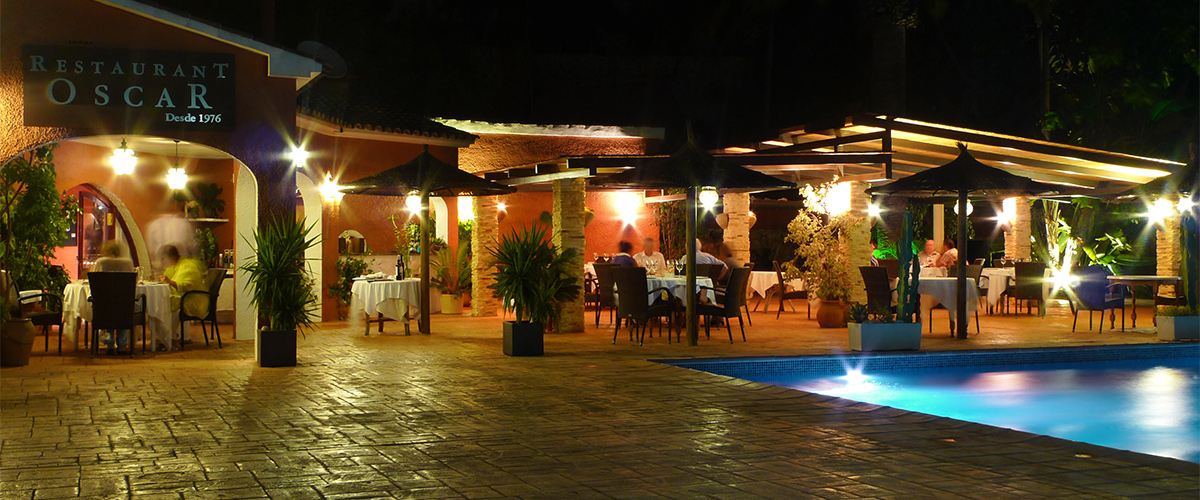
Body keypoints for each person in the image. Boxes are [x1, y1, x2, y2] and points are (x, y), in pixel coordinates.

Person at [158, 245, 207, 349]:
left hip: (195, 299)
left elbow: (187, 285)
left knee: (170, 307)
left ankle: (171, 339)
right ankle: (166, 338)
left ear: (171, 257)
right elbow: (169, 275)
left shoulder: (187, 266)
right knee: (164, 304)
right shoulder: (177, 265)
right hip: (185, 297)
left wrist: (169, 281)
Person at [92, 242, 135, 354]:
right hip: (123, 305)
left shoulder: (101, 262)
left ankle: (109, 342)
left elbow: (95, 282)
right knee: (124, 305)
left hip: (104, 306)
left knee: (108, 305)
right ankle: (122, 344)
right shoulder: (127, 262)